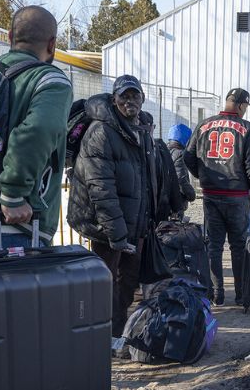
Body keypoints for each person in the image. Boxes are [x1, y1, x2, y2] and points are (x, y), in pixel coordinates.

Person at [67, 75, 181, 340]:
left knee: (128, 281)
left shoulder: (141, 130)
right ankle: (101, 334)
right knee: (106, 282)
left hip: (135, 224)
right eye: (124, 96)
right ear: (114, 99)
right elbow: (100, 187)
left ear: (142, 99)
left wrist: (152, 217)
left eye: (135, 95)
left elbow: (148, 180)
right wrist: (116, 233)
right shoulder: (102, 132)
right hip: (107, 227)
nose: (130, 101)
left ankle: (116, 331)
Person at [0, 6, 73, 252]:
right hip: (17, 223)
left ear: (10, 37)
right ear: (52, 44)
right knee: (21, 292)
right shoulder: (50, 80)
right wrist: (13, 194)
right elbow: (38, 130)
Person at [184, 88, 250, 306]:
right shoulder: (248, 129)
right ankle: (239, 294)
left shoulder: (204, 125)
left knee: (214, 246)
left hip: (211, 194)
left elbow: (187, 156)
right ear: (241, 105)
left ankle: (217, 293)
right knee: (238, 246)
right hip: (237, 196)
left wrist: (204, 175)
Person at [168, 123, 196, 218]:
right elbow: (181, 179)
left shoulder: (163, 150)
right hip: (176, 201)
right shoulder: (180, 154)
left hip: (163, 200)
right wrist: (191, 194)